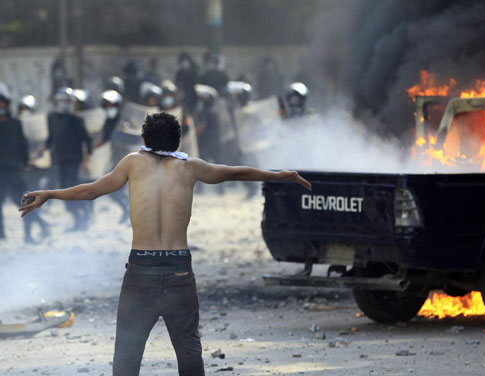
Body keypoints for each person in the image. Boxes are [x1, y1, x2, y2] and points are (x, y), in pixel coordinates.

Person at [19, 112, 311, 375]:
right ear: (177, 140)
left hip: (141, 269)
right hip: (178, 269)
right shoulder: (190, 167)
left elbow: (91, 191)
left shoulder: (132, 163)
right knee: (188, 350)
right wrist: (278, 175)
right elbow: (235, 172)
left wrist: (49, 193)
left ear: (144, 138)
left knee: (127, 355)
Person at [0, 89, 49, 243]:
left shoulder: (15, 124)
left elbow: (22, 145)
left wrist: (25, 162)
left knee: (25, 203)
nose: (1, 107)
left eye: (3, 104)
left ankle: (30, 234)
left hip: (13, 171)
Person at [45, 87, 93, 231]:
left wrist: (86, 160)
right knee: (64, 192)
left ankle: (83, 219)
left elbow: (87, 140)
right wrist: (41, 150)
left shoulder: (76, 120)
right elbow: (51, 138)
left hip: (74, 160)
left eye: (68, 101)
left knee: (72, 192)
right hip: (59, 160)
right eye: (63, 101)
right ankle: (78, 218)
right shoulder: (51, 118)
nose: (65, 104)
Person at [94, 90, 130, 224]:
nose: (110, 109)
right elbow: (103, 138)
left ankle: (131, 213)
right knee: (110, 187)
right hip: (115, 159)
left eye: (112, 105)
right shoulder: (108, 121)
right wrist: (91, 148)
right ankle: (127, 209)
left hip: (128, 157)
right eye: (107, 106)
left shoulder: (125, 120)